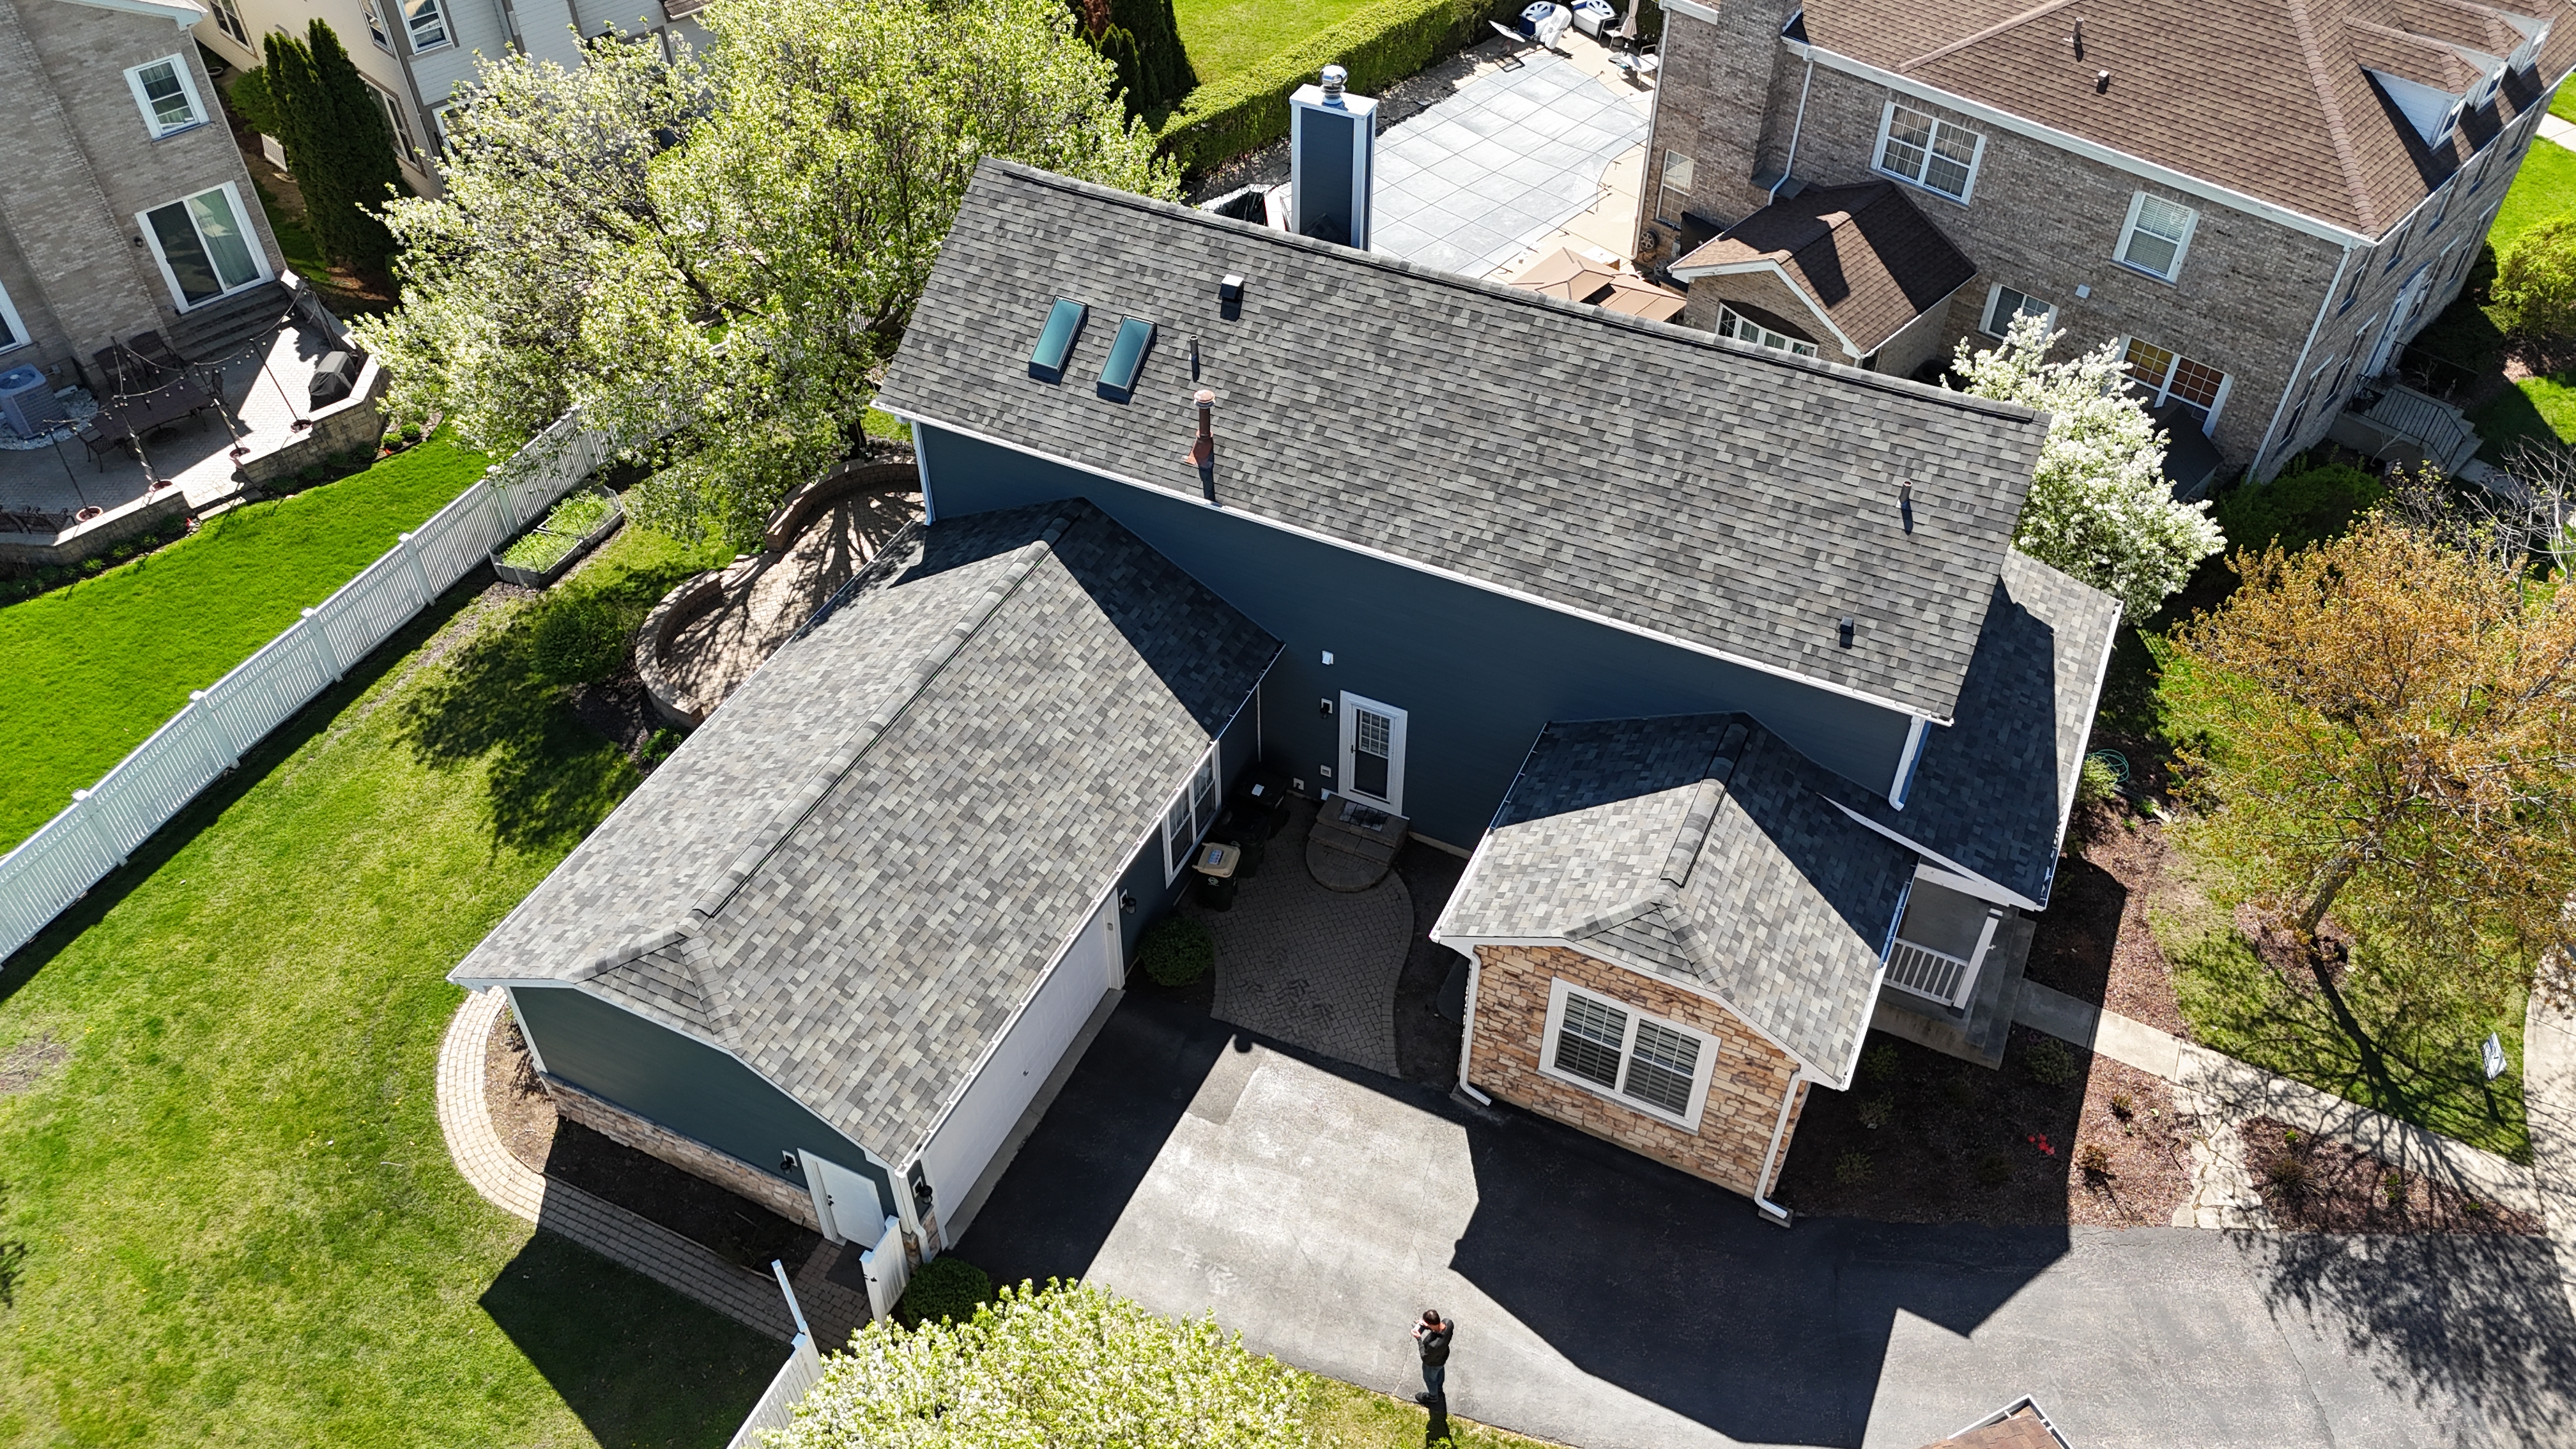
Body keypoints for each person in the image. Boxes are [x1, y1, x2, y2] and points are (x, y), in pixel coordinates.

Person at [1411, 1308, 1453, 1405]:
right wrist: (1428, 1327)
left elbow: (1424, 1357)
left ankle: (1433, 1397)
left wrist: (1419, 1339)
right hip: (1443, 1357)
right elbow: (1438, 1329)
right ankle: (1439, 1388)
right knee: (1439, 1373)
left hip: (1432, 1364)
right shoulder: (1448, 1323)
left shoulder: (1434, 1345)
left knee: (1430, 1379)